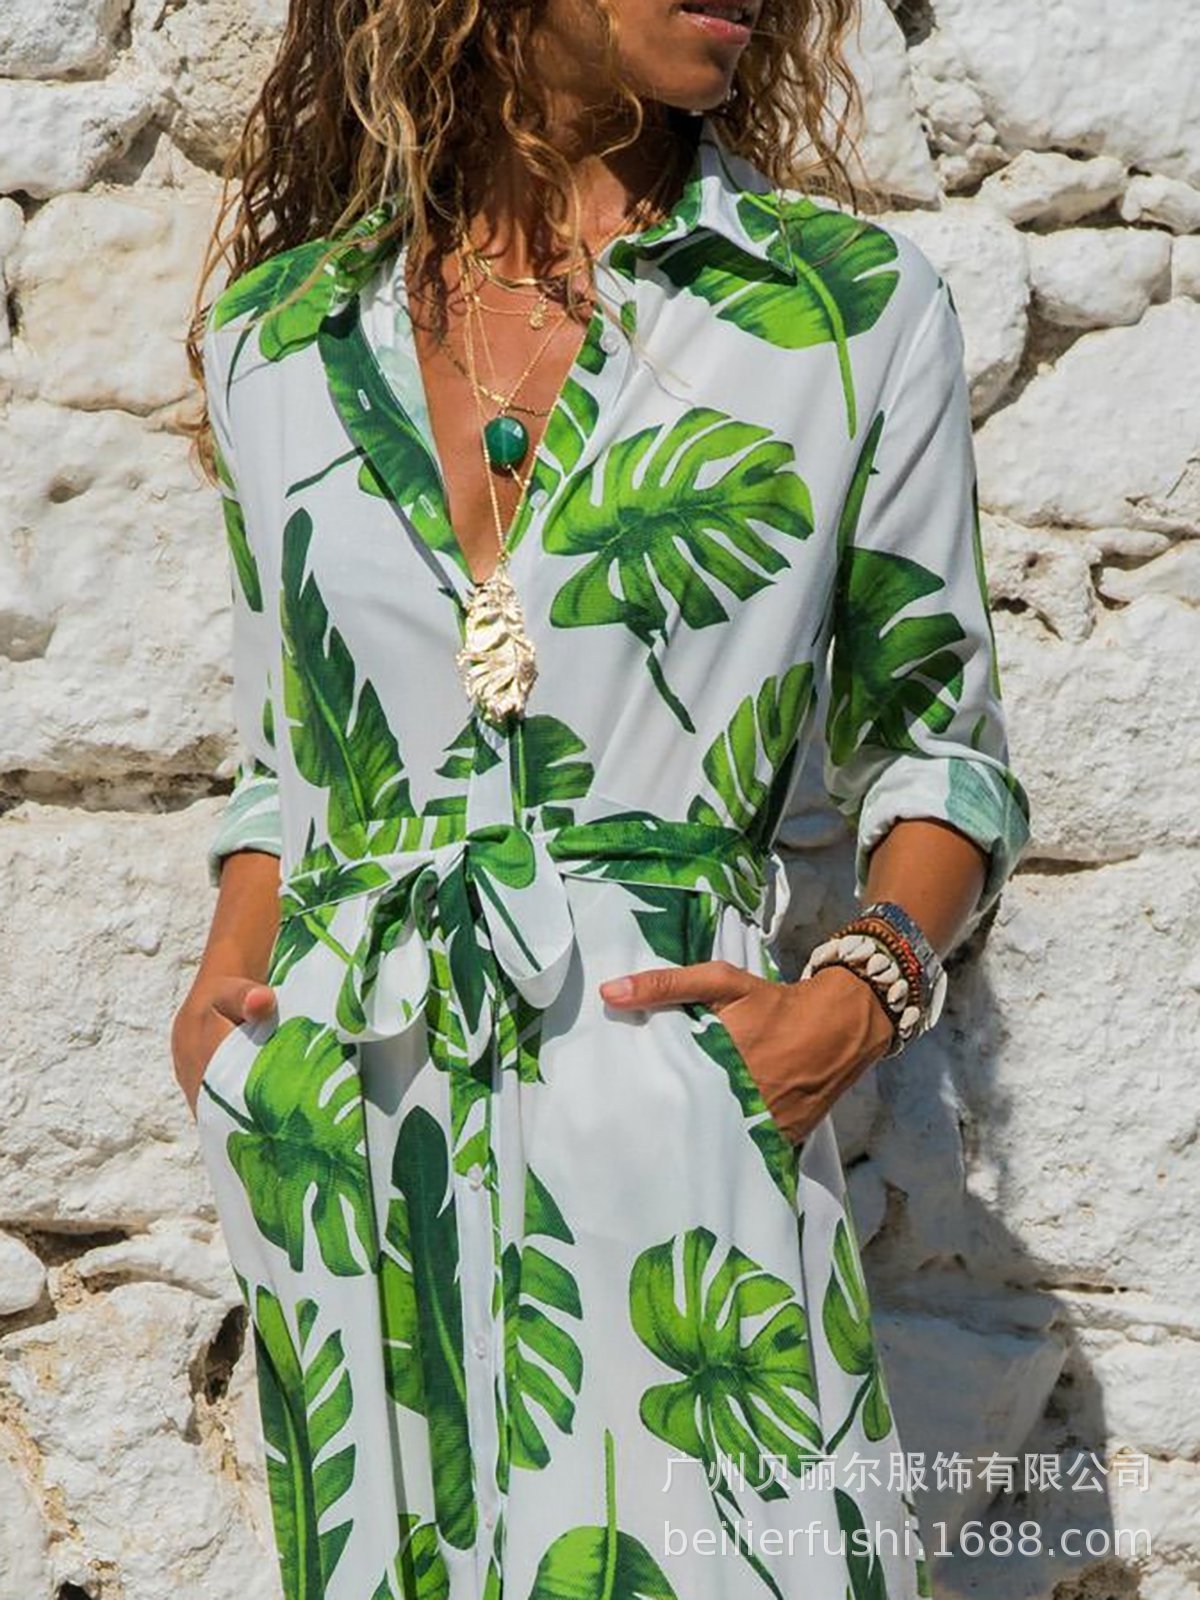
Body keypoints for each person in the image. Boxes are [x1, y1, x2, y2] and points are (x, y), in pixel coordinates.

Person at [173, 1, 1032, 1597]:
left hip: (672, 1117)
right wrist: (229, 1043)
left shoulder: (841, 311)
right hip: (355, 1144)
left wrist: (852, 1004)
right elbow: (285, 757)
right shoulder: (278, 339)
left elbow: (943, 750)